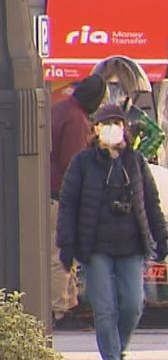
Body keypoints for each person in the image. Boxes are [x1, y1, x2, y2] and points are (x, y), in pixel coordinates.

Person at [57, 105, 168, 360]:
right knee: (104, 306)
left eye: (116, 123)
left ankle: (117, 351)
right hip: (96, 247)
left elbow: (151, 203)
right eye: (105, 124)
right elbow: (68, 204)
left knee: (132, 304)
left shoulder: (136, 162)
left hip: (131, 245)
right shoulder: (83, 163)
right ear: (95, 129)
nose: (111, 129)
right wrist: (67, 245)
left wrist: (161, 236)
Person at [49, 74, 104, 326]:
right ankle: (61, 309)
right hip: (61, 196)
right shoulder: (76, 120)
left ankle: (69, 303)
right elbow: (73, 165)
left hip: (52, 193)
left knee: (62, 251)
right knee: (61, 253)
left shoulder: (61, 108)